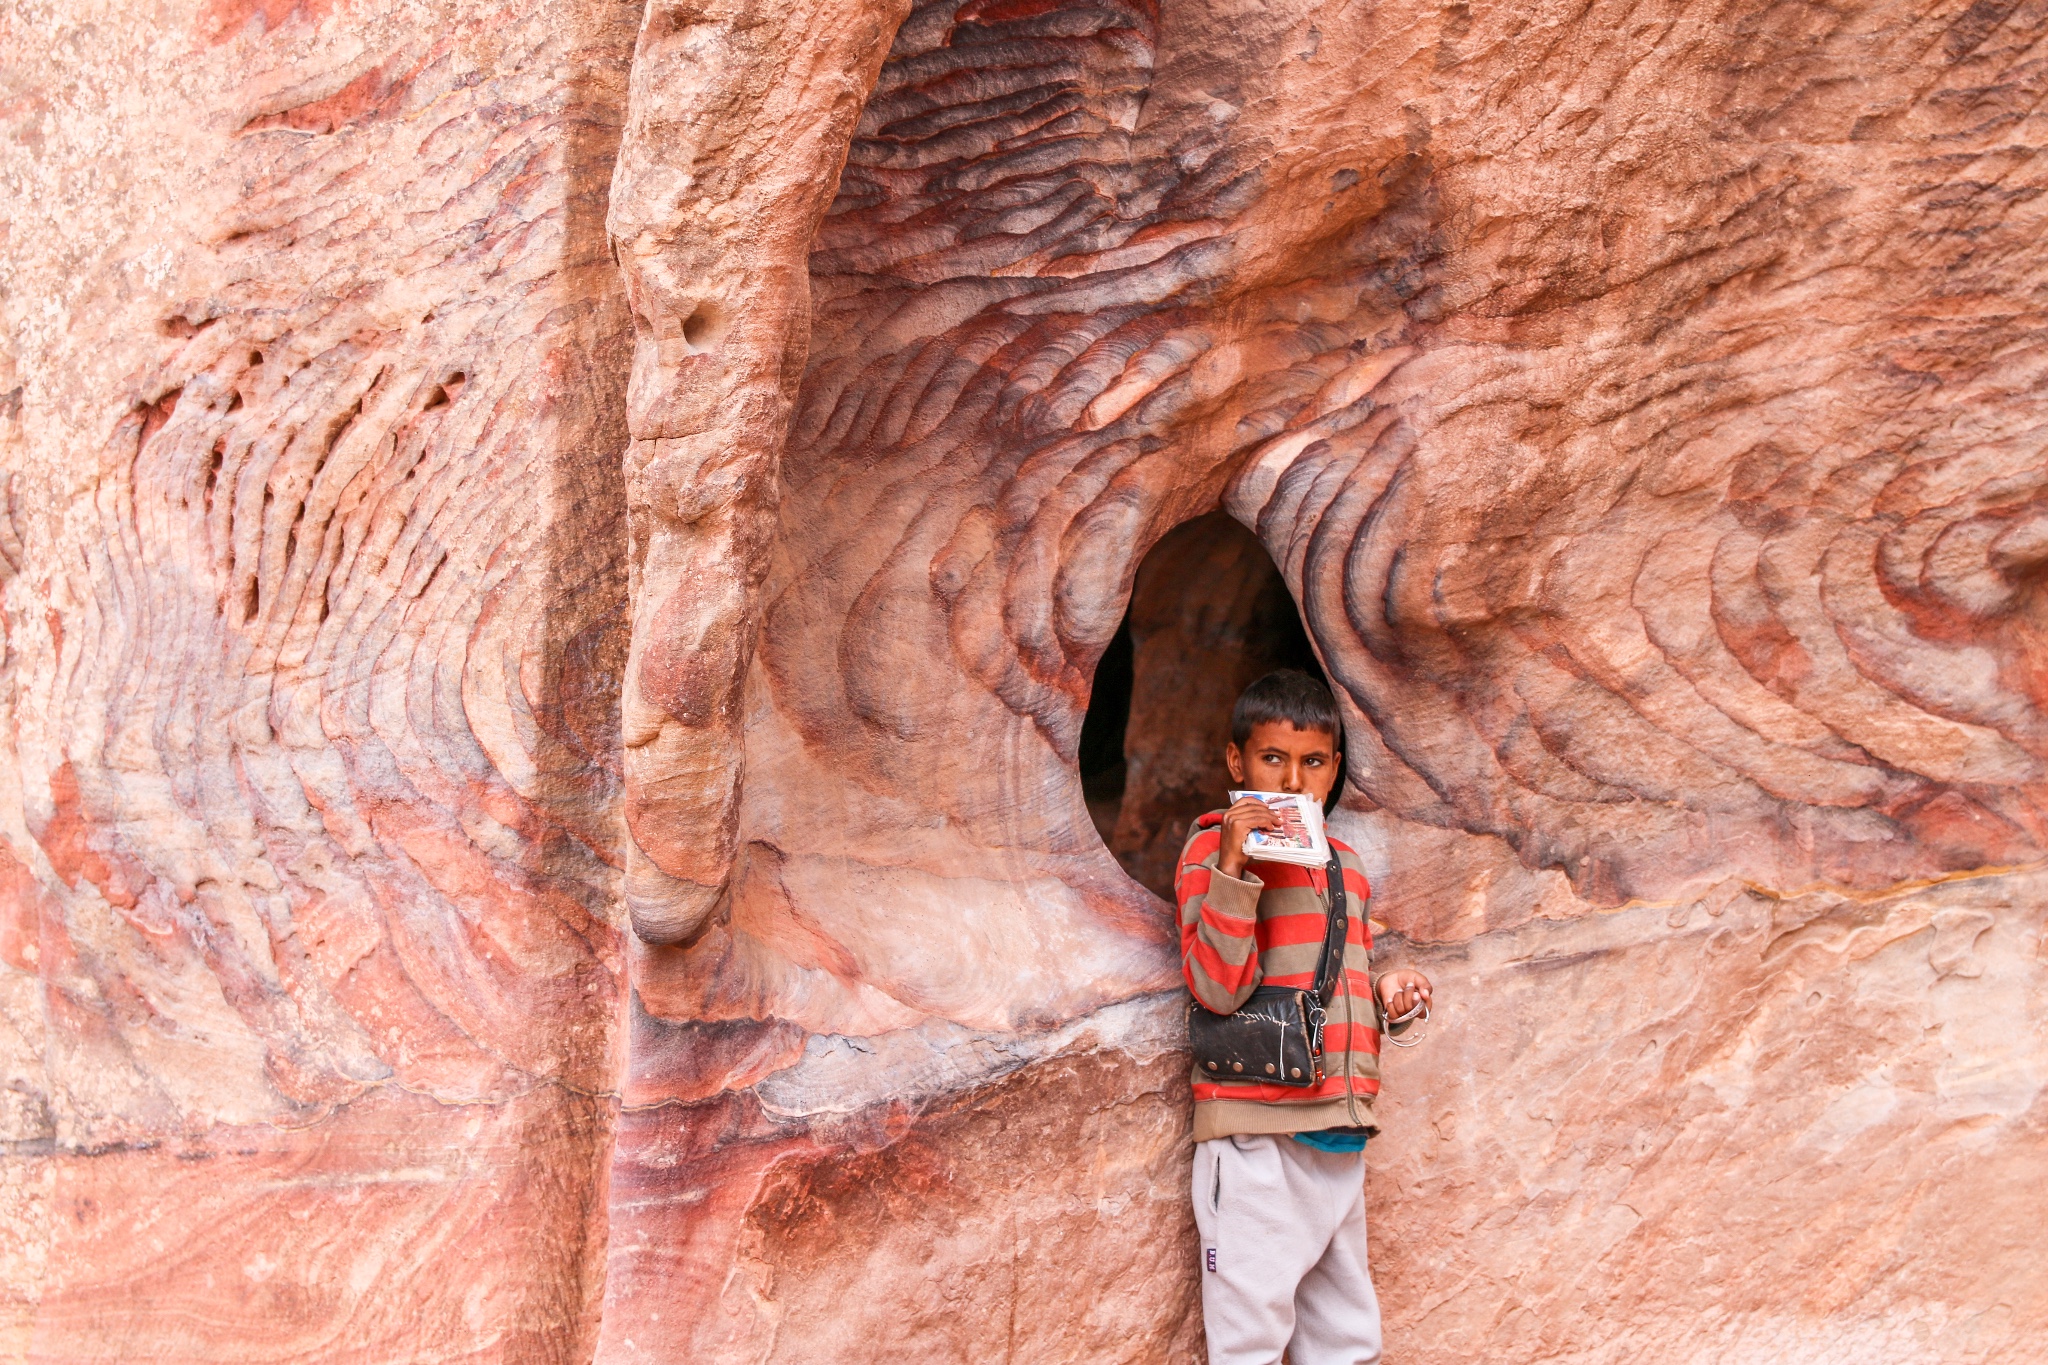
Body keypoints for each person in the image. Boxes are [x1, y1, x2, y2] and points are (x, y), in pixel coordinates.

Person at [1177, 669, 1432, 1365]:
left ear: (1335, 771)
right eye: (1272, 759)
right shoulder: (1209, 849)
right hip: (1257, 1140)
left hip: (1338, 1136)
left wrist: (1385, 996)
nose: (1292, 781)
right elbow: (1215, 988)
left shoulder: (1345, 864)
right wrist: (1235, 864)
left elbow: (1330, 983)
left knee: (1347, 1339)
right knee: (1250, 1340)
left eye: (1312, 761)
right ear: (1237, 762)